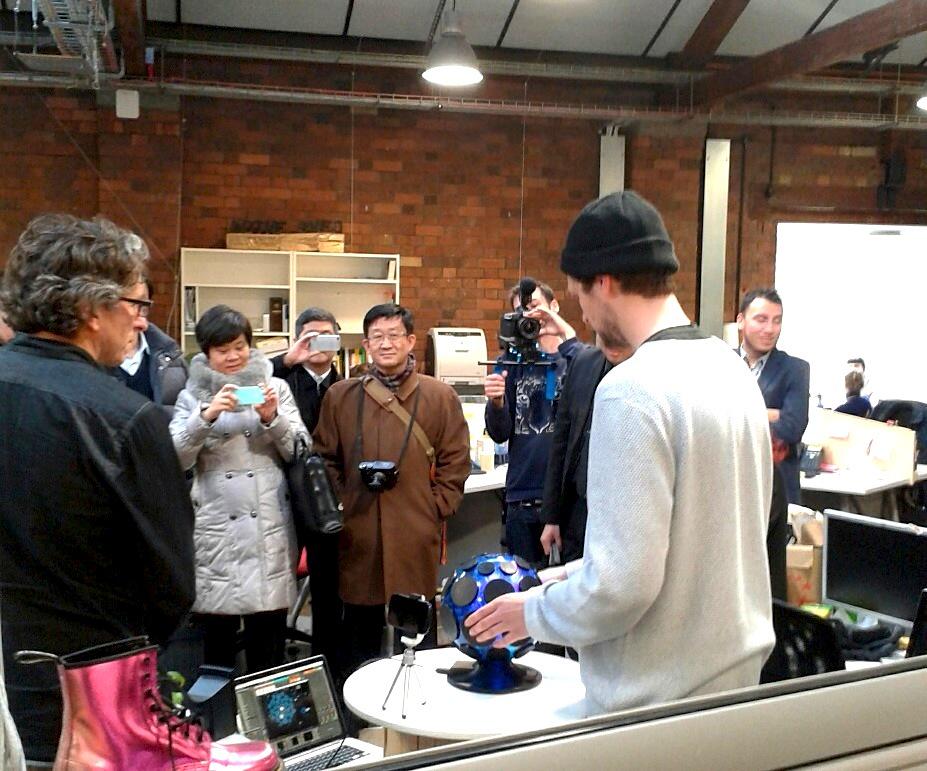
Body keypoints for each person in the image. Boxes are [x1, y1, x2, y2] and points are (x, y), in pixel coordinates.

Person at [466, 191, 775, 715]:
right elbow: (701, 540)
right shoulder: (731, 370)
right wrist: (565, 575)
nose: (584, 317)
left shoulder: (632, 389)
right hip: (732, 691)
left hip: (656, 707)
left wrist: (529, 613)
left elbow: (620, 590)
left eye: (579, 296)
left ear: (604, 282)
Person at [0, 213, 196, 764]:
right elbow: (171, 586)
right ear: (92, 309)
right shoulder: (125, 419)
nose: (142, 322)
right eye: (136, 304)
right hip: (88, 702)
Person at [313, 303, 470, 680]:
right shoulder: (340, 396)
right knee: (360, 630)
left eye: (394, 335)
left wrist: (436, 506)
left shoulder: (438, 396)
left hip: (415, 527)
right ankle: (358, 701)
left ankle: (418, 698)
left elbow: (456, 459)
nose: (386, 344)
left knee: (413, 627)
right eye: (377, 337)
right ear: (366, 345)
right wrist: (341, 502)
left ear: (411, 341)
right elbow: (323, 457)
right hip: (359, 528)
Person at [170, 304, 308, 674]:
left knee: (269, 648)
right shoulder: (191, 396)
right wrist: (206, 416)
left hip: (268, 527)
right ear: (206, 353)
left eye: (240, 346)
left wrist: (272, 417)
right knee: (217, 652)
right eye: (222, 350)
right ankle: (221, 711)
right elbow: (175, 458)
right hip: (217, 530)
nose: (233, 356)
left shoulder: (275, 387)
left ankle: (270, 710)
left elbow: (300, 448)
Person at [484, 278, 583, 566]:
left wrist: (563, 332)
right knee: (524, 582)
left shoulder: (578, 361)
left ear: (554, 307)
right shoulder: (509, 363)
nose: (531, 317)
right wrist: (497, 402)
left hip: (568, 501)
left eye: (536, 307)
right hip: (523, 497)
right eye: (522, 311)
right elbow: (500, 434)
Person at [270, 307, 344, 668]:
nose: (318, 343)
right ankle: (271, 664)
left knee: (328, 588)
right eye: (310, 336)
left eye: (326, 335)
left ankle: (325, 665)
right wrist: (287, 359)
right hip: (281, 498)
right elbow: (248, 381)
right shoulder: (279, 382)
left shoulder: (346, 386)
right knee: (275, 586)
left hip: (328, 501)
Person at [539, 337, 631, 563]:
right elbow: (562, 441)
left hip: (621, 520)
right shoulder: (584, 362)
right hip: (576, 512)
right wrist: (552, 517)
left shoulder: (647, 364)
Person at [737, 288, 810, 504]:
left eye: (777, 321)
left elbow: (791, 428)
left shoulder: (795, 370)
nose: (770, 329)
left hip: (776, 491)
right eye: (761, 319)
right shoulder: (721, 363)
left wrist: (737, 414)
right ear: (741, 321)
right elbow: (708, 420)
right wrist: (770, 414)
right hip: (731, 486)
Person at [110, 279, 187, 412]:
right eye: (132, 306)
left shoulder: (171, 359)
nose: (142, 323)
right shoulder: (85, 367)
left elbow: (186, 414)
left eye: (144, 307)